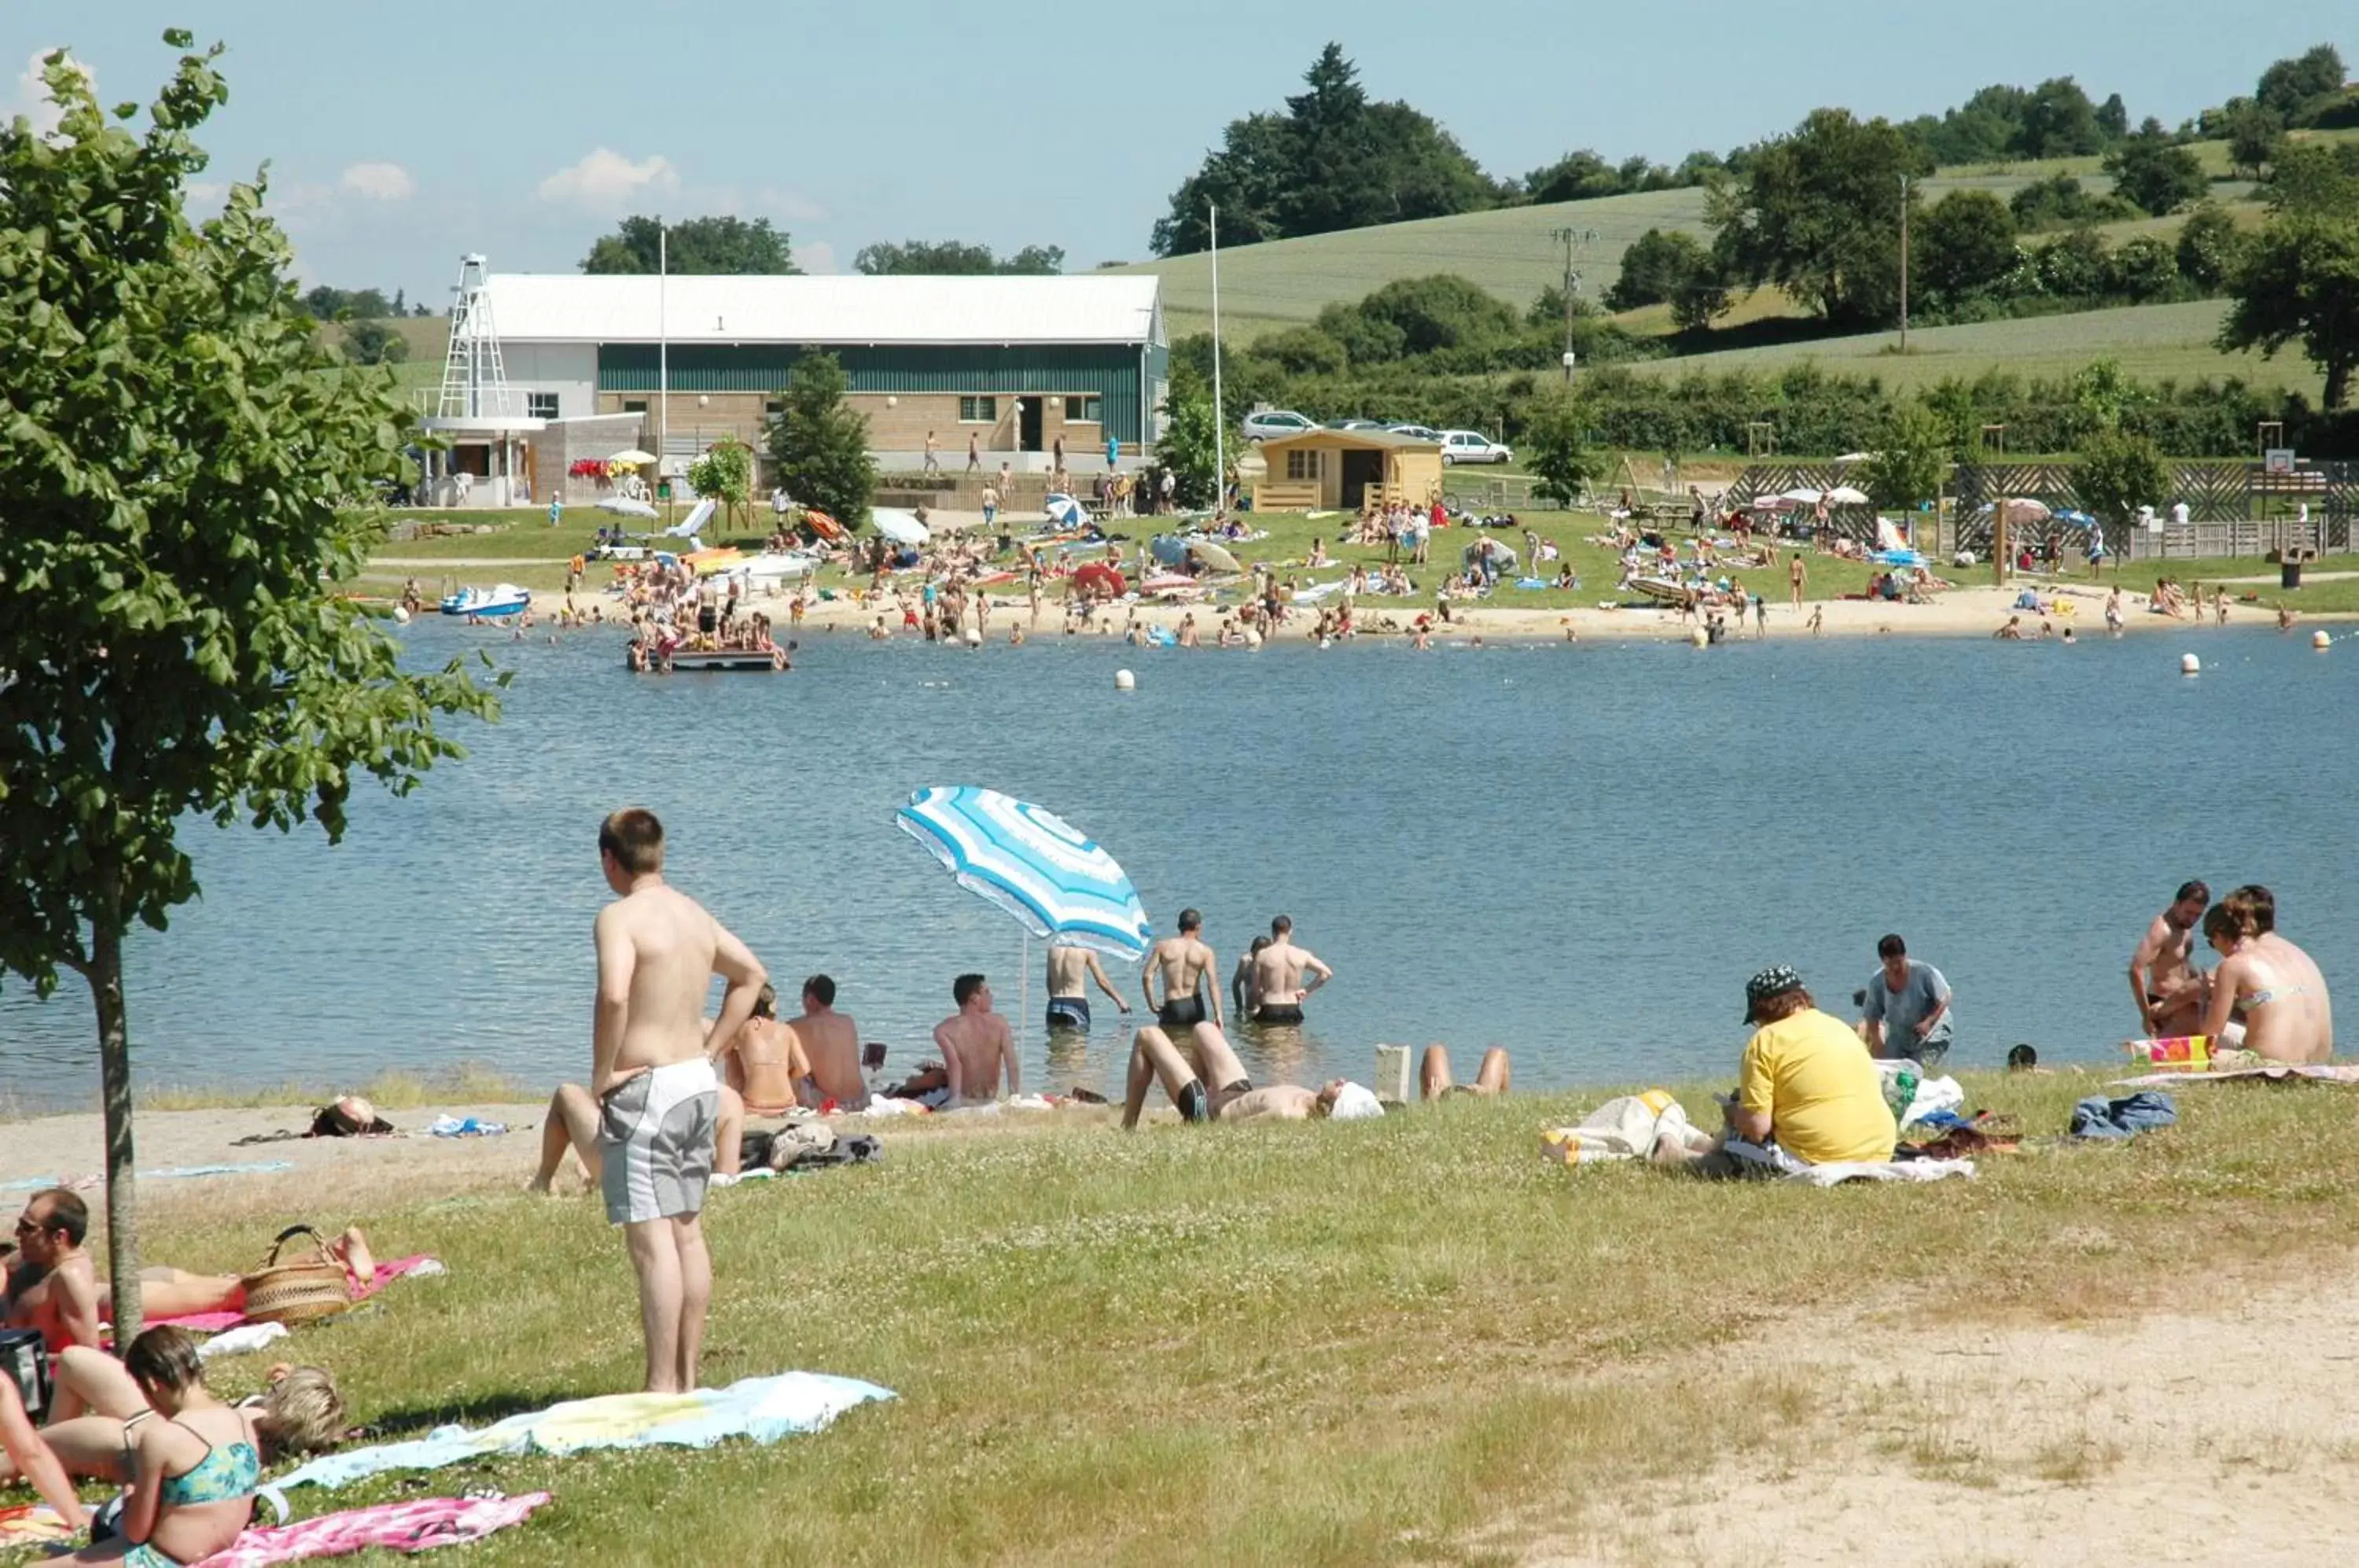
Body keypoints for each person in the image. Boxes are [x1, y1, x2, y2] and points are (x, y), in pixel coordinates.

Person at [529, 809, 766, 1396]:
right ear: (659, 853)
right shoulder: (694, 916)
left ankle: (660, 1387)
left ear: (610, 859)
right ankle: (687, 1379)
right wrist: (712, 1047)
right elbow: (752, 976)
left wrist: (604, 1071)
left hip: (650, 1088)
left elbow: (614, 994)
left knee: (651, 1241)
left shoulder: (617, 917)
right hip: (696, 1085)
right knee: (687, 1231)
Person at [1652, 966, 1897, 1177]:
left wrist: (1734, 1113)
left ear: (1764, 1010)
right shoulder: (1840, 1028)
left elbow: (1757, 1129)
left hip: (1820, 1154)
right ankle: (1703, 1145)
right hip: (1879, 1149)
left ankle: (1678, 1157)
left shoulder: (1765, 1041)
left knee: (1739, 1151)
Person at [86, 1327, 263, 1567]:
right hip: (223, 1547)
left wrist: (130, 1494)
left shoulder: (161, 1438)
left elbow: (136, 1532)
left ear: (152, 1383)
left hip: (167, 1559)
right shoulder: (242, 1422)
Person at [1117, 1024, 1361, 1127]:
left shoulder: (1287, 1115)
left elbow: (1234, 1133)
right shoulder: (1310, 1098)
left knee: (1146, 1035)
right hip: (1237, 1095)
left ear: (1334, 1105)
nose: (1341, 1080)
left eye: (1343, 1088)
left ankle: (1127, 1127)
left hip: (1207, 1113)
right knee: (1205, 1029)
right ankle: (1189, 1101)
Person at [2201, 904, 2328, 1065]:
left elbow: (2210, 1036)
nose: (2215, 949)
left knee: (2196, 1047)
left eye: (2211, 943)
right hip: (2307, 1061)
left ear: (2218, 934)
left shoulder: (2231, 966)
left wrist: (2204, 999)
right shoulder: (2283, 956)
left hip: (2264, 1063)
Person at [2129, 881, 2211, 1039]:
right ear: (2176, 903)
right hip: (2163, 1003)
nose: (2192, 919)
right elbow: (2135, 970)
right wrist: (2146, 1017)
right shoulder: (2162, 930)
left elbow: (2183, 963)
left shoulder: (2184, 927)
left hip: (2183, 1000)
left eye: (2198, 915)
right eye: (2189, 912)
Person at [1860, 934, 1953, 1064]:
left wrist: (1929, 1022)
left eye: (1898, 962)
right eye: (1889, 964)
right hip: (1900, 1035)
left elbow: (1946, 997)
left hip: (1933, 1031)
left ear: (1905, 956)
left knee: (1918, 1070)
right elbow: (1871, 1018)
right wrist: (1879, 1046)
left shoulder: (1924, 972)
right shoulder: (1877, 982)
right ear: (1883, 961)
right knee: (1891, 1069)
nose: (1895, 968)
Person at [932, 974, 1018, 1102]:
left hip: (965, 1099)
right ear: (974, 998)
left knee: (931, 1077)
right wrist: (1014, 1097)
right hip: (989, 1099)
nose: (991, 996)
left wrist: (955, 1101)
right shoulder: (1000, 1023)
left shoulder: (943, 1030)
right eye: (987, 992)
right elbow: (1012, 1065)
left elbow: (955, 1066)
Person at [1143, 909, 1221, 1032]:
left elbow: (1147, 976)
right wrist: (1218, 1014)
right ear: (1198, 927)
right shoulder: (1205, 951)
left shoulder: (1163, 947)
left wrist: (1152, 1005)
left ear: (1179, 926)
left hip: (1173, 1006)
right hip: (1195, 1006)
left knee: (1170, 1048)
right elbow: (1213, 984)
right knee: (1195, 1048)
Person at [1249, 915, 1332, 1026]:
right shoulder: (1302, 954)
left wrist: (1260, 1003)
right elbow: (1326, 973)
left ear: (1273, 932)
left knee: (1268, 1043)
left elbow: (1255, 989)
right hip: (1292, 1008)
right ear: (1290, 931)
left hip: (1270, 1006)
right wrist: (1306, 990)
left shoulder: (1262, 955)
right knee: (1294, 1043)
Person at [1045, 942, 1131, 1034]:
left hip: (1054, 1005)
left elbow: (1049, 981)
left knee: (1056, 1046)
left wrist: (1054, 999)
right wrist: (1120, 1001)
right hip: (1075, 1004)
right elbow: (1102, 981)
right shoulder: (1087, 950)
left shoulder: (1053, 949)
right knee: (1078, 1046)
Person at [1419, 1046, 1511, 1099]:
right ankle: (1495, 1106)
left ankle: (1430, 1109)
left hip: (1442, 1104)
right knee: (1498, 1053)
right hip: (1481, 1103)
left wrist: (1433, 1102)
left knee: (1435, 1050)